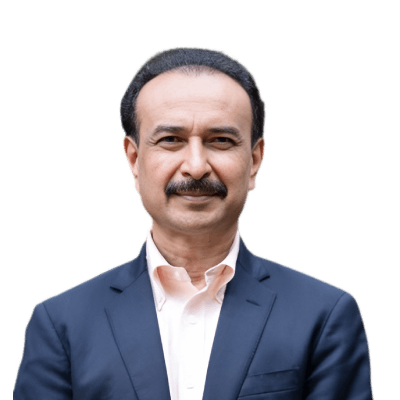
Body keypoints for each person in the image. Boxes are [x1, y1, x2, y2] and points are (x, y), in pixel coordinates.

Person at [13, 47, 373, 400]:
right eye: (171, 140)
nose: (196, 167)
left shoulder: (324, 314)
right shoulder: (61, 323)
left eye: (221, 141)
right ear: (134, 159)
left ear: (254, 160)